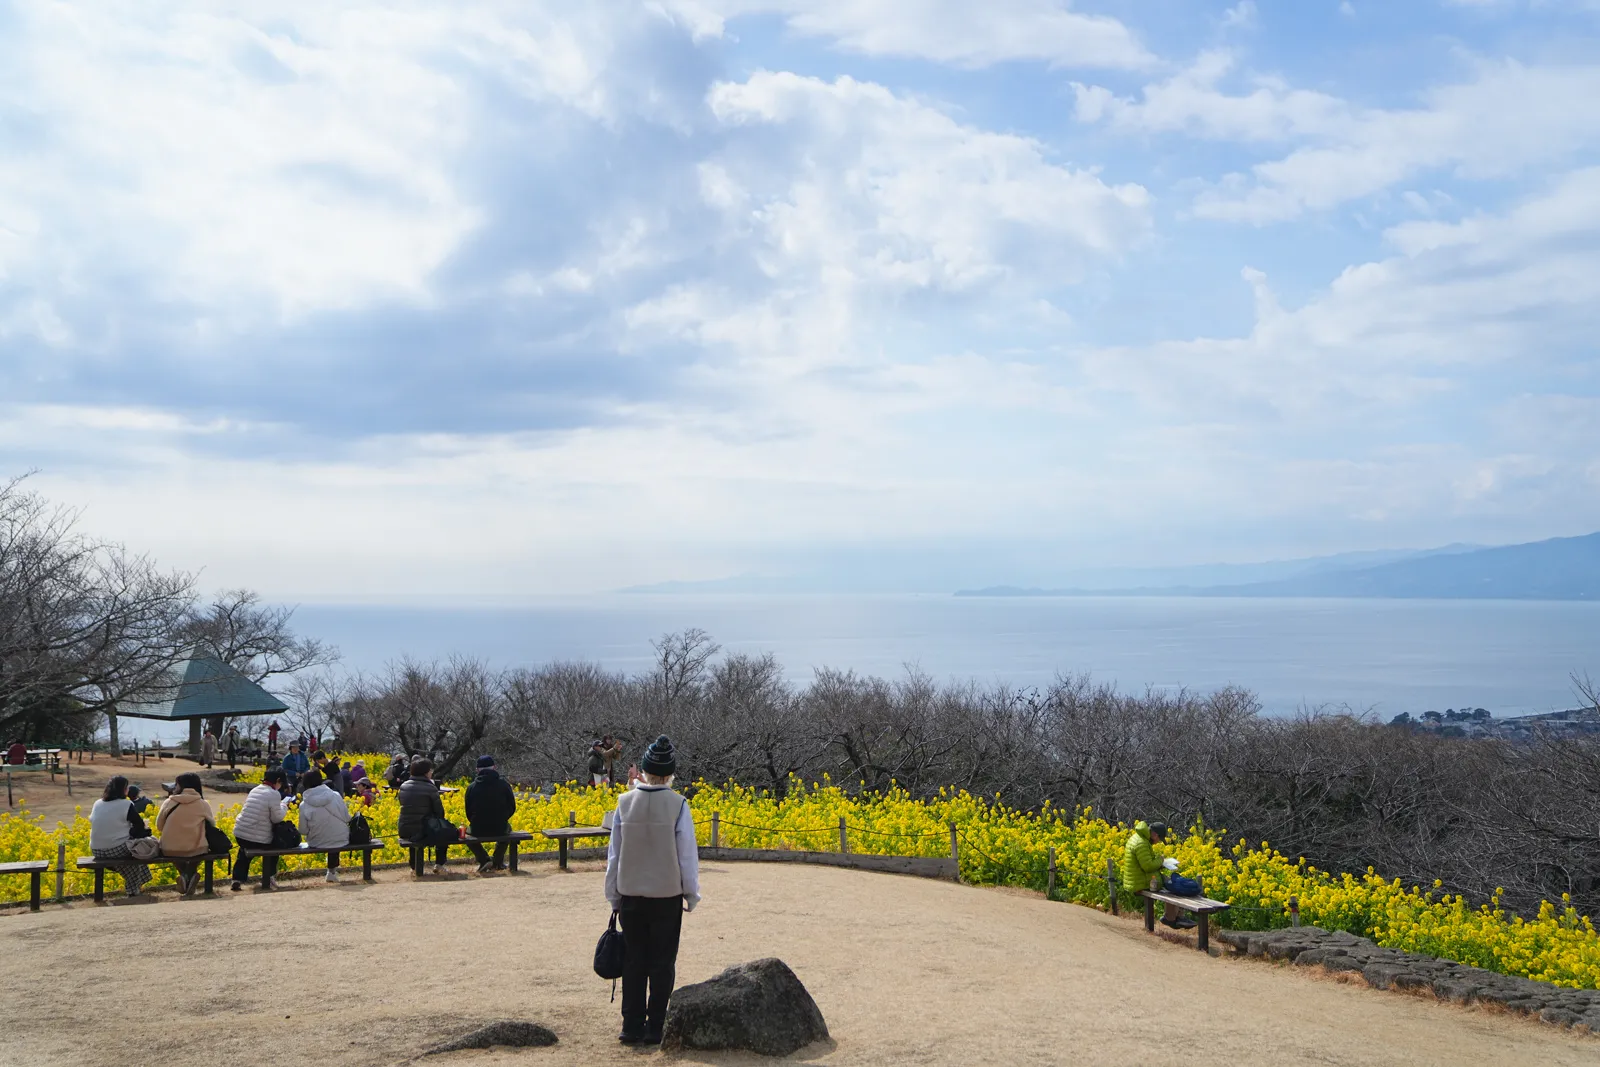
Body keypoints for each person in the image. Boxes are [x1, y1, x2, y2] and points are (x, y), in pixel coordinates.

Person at [604, 736, 700, 1046]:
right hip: (666, 896)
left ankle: (631, 1025)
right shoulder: (678, 804)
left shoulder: (624, 803)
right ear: (671, 773)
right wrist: (691, 894)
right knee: (662, 963)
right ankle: (656, 1025)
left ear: (644, 770)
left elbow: (614, 856)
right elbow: (687, 856)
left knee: (634, 961)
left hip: (631, 895)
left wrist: (613, 896)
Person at [1120, 820, 1195, 930]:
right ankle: (1172, 918)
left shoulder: (1138, 838)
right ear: (1155, 834)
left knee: (1171, 883)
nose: (1158, 842)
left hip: (1139, 879)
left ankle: (1176, 917)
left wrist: (1160, 864)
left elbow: (1145, 864)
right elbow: (1148, 866)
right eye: (1159, 839)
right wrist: (1161, 861)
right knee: (1174, 885)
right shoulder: (1142, 843)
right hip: (1141, 882)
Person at [90, 775, 152, 898]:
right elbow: (139, 826)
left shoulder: (97, 803)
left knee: (133, 852)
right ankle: (133, 891)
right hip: (115, 849)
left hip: (96, 850)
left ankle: (136, 887)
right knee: (138, 851)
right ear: (123, 789)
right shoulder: (126, 804)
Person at [155, 772, 215, 896]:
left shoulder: (169, 802)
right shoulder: (203, 804)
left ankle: (184, 877)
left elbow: (159, 826)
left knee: (175, 852)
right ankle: (188, 876)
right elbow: (212, 826)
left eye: (176, 784)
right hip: (196, 848)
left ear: (180, 786)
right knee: (198, 850)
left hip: (169, 848)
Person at [233, 768, 291, 891]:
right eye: (281, 783)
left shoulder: (255, 790)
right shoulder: (273, 793)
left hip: (240, 834)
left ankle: (237, 879)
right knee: (275, 847)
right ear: (278, 780)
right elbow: (277, 818)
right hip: (258, 839)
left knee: (243, 852)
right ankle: (269, 877)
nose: (281, 786)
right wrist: (284, 805)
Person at [398, 759, 455, 875]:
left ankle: (414, 867)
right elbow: (440, 812)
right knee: (444, 830)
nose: (431, 772)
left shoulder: (403, 786)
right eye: (430, 770)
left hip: (404, 828)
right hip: (423, 830)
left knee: (414, 830)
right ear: (425, 772)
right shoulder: (430, 787)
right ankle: (439, 864)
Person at [297, 768, 352, 884]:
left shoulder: (303, 804)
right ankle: (331, 872)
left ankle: (331, 872)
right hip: (341, 838)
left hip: (317, 842)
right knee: (334, 834)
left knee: (326, 834)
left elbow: (303, 830)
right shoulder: (336, 795)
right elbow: (347, 818)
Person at [464, 755, 517, 873]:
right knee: (507, 830)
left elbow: (468, 811)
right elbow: (512, 806)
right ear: (494, 767)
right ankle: (497, 861)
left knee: (466, 835)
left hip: (478, 828)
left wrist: (475, 820)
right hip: (500, 827)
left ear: (477, 770)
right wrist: (503, 817)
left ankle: (484, 860)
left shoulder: (472, 787)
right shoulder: (504, 785)